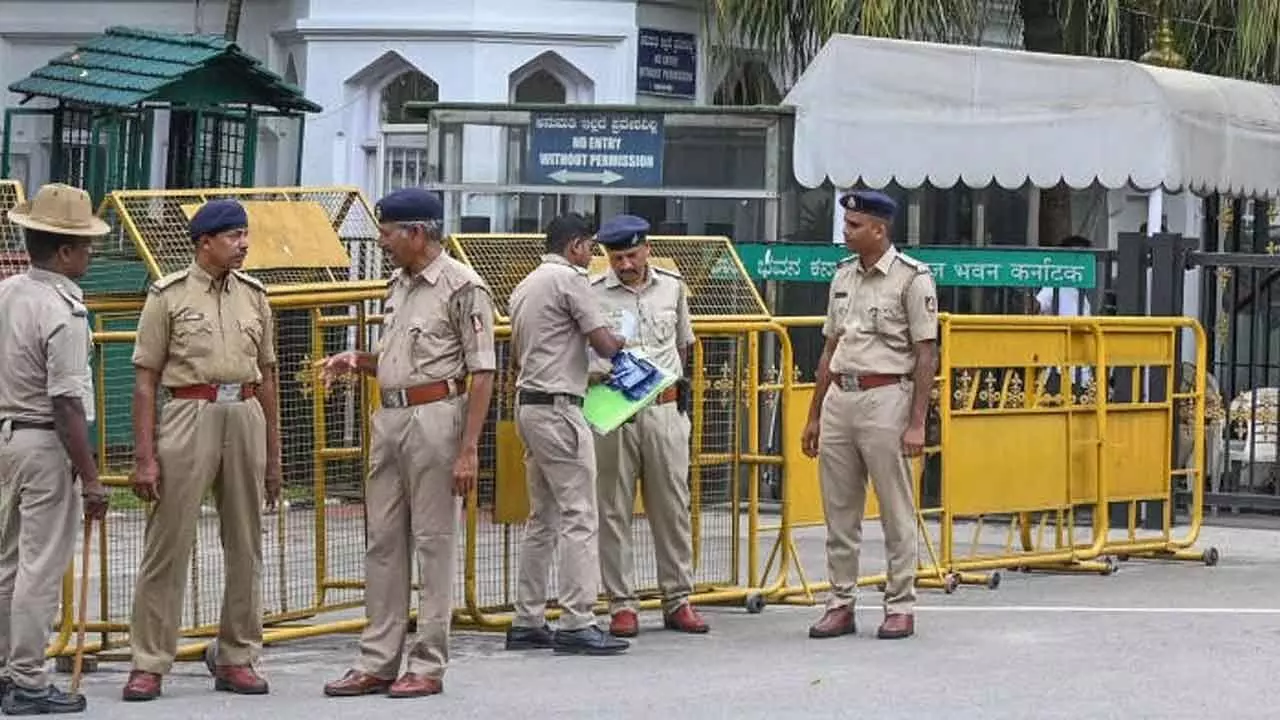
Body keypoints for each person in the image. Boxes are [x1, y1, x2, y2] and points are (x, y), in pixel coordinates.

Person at [319, 188, 496, 699]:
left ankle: (428, 662)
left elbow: (482, 372)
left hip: (437, 417)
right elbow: (400, 356)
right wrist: (358, 360)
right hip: (391, 416)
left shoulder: (463, 287)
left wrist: (469, 448)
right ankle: (378, 659)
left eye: (388, 232)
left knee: (434, 543)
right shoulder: (397, 285)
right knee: (383, 542)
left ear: (416, 233)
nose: (382, 240)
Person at [122, 199, 282, 701]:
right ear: (204, 242)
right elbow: (145, 381)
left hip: (245, 412)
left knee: (246, 543)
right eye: (234, 236)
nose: (244, 244)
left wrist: (275, 456)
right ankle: (149, 661)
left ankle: (237, 656)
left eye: (245, 235)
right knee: (168, 542)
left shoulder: (255, 296)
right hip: (188, 412)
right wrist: (145, 456)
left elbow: (269, 374)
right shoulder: (167, 296)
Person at [801, 190, 937, 641]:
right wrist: (815, 414)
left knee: (896, 508)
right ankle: (839, 602)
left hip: (887, 396)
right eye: (847, 223)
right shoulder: (843, 277)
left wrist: (917, 421)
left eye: (855, 225)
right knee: (839, 510)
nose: (846, 231)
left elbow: (925, 354)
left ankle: (900, 604)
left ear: (880, 229)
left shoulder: (911, 279)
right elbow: (829, 347)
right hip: (842, 393)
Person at [0, 183, 109, 714]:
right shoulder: (64, 308)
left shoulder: (8, 291)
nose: (91, 253)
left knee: (7, 563)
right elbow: (67, 403)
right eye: (86, 244)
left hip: (5, 435)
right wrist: (90, 477)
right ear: (64, 251)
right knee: (39, 569)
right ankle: (27, 678)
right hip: (44, 442)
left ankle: (4, 669)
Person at [504, 213, 629, 656]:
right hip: (559, 409)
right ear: (576, 245)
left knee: (544, 518)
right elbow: (602, 342)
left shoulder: (526, 285)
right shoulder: (570, 281)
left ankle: (528, 617)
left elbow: (546, 348)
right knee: (580, 514)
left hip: (529, 404)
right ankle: (578, 619)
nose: (593, 256)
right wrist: (622, 348)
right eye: (591, 248)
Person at [587, 215, 707, 637]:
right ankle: (622, 604)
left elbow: (682, 345)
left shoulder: (672, 287)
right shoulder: (592, 293)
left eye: (631, 255)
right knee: (612, 509)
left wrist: (668, 394)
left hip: (663, 409)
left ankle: (678, 599)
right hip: (614, 410)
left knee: (671, 506)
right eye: (616, 257)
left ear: (647, 249)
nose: (624, 265)